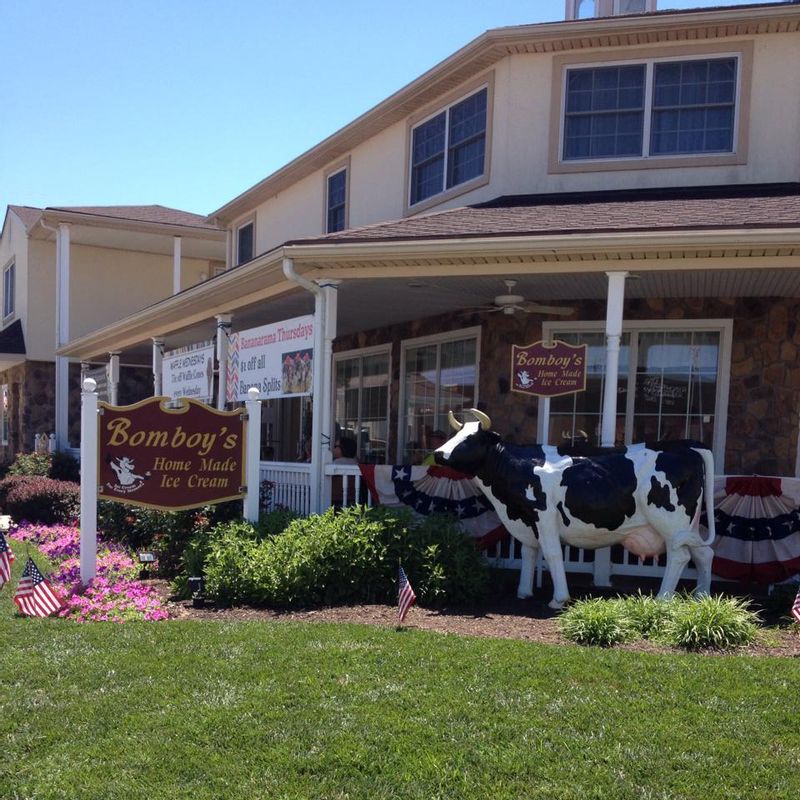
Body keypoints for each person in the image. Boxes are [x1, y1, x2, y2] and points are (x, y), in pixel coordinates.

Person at [332, 437, 359, 509]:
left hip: (336, 501)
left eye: (336, 446)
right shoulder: (355, 462)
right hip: (352, 500)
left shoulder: (337, 463)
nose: (333, 449)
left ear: (343, 448)